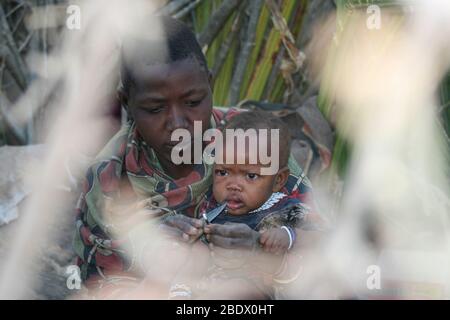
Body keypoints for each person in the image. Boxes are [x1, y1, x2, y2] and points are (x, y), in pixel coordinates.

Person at [73, 16, 323, 299]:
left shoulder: (252, 139)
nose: (178, 124)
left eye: (193, 102)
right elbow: (104, 287)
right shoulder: (110, 177)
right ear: (127, 103)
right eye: (155, 109)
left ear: (210, 85)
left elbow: (324, 244)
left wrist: (260, 249)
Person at [168, 111, 310, 299]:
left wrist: (288, 235)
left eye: (250, 176)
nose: (233, 185)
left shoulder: (286, 209)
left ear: (278, 180)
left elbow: (322, 239)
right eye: (222, 172)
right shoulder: (211, 204)